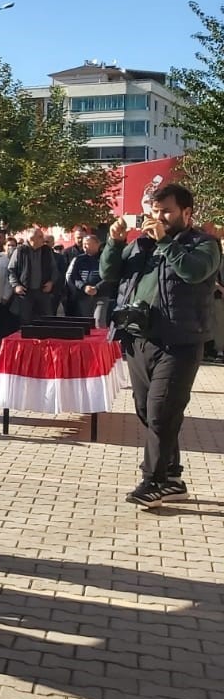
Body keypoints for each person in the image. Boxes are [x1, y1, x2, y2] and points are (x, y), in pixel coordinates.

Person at [101, 185, 221, 509]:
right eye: (155, 211)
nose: (159, 217)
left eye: (166, 211)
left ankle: (152, 481)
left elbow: (193, 272)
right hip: (139, 340)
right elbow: (109, 273)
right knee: (148, 411)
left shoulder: (205, 245)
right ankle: (172, 476)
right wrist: (114, 243)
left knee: (161, 412)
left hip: (179, 343)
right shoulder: (141, 244)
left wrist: (166, 242)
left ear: (186, 212)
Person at [8, 227, 56, 327]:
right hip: (25, 292)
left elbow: (54, 269)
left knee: (46, 319)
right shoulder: (20, 251)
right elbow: (11, 270)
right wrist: (16, 286)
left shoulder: (47, 250)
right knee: (25, 321)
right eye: (40, 237)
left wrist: (51, 282)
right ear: (31, 239)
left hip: (42, 291)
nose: (43, 239)